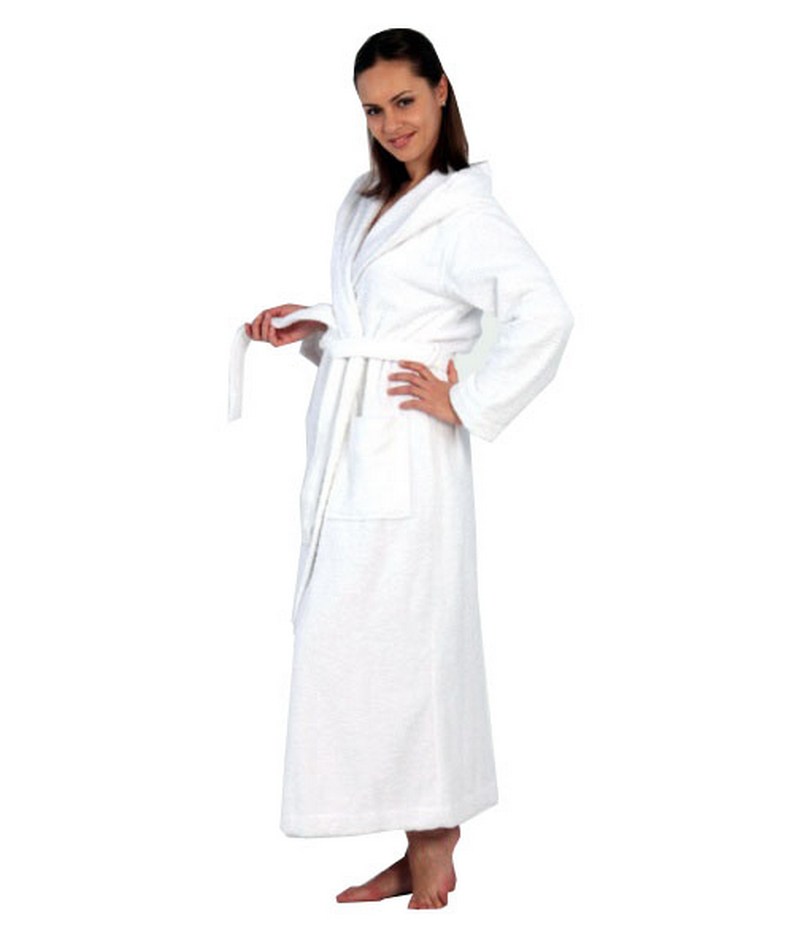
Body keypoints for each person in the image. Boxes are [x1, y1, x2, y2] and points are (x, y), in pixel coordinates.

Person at [228, 27, 574, 909]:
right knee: (358, 649)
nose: (391, 123)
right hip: (353, 446)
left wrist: (469, 400)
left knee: (413, 646)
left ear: (442, 91)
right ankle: (415, 834)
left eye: (405, 101)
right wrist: (316, 324)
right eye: (374, 109)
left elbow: (545, 314)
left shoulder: (464, 213)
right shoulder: (365, 200)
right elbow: (377, 319)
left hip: (409, 459)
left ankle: (435, 839)